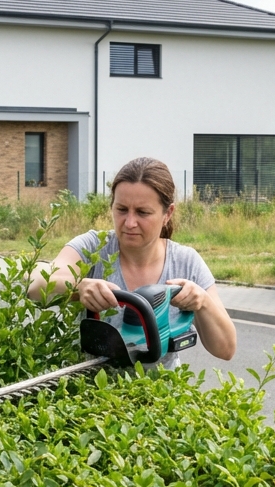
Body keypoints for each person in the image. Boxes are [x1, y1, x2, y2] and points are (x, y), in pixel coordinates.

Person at [28, 156, 237, 364]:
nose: (129, 222)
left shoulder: (186, 262)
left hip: (163, 394)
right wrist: (80, 287)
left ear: (168, 213)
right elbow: (35, 285)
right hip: (91, 391)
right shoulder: (93, 246)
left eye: (142, 212)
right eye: (121, 210)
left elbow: (226, 349)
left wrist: (202, 302)